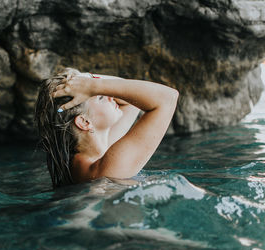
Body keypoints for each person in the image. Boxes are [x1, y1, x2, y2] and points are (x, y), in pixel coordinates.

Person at [35, 68, 178, 188]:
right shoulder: (107, 169)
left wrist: (88, 81)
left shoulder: (87, 159)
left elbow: (129, 98)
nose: (111, 97)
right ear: (84, 122)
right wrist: (93, 86)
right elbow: (167, 98)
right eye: (101, 97)